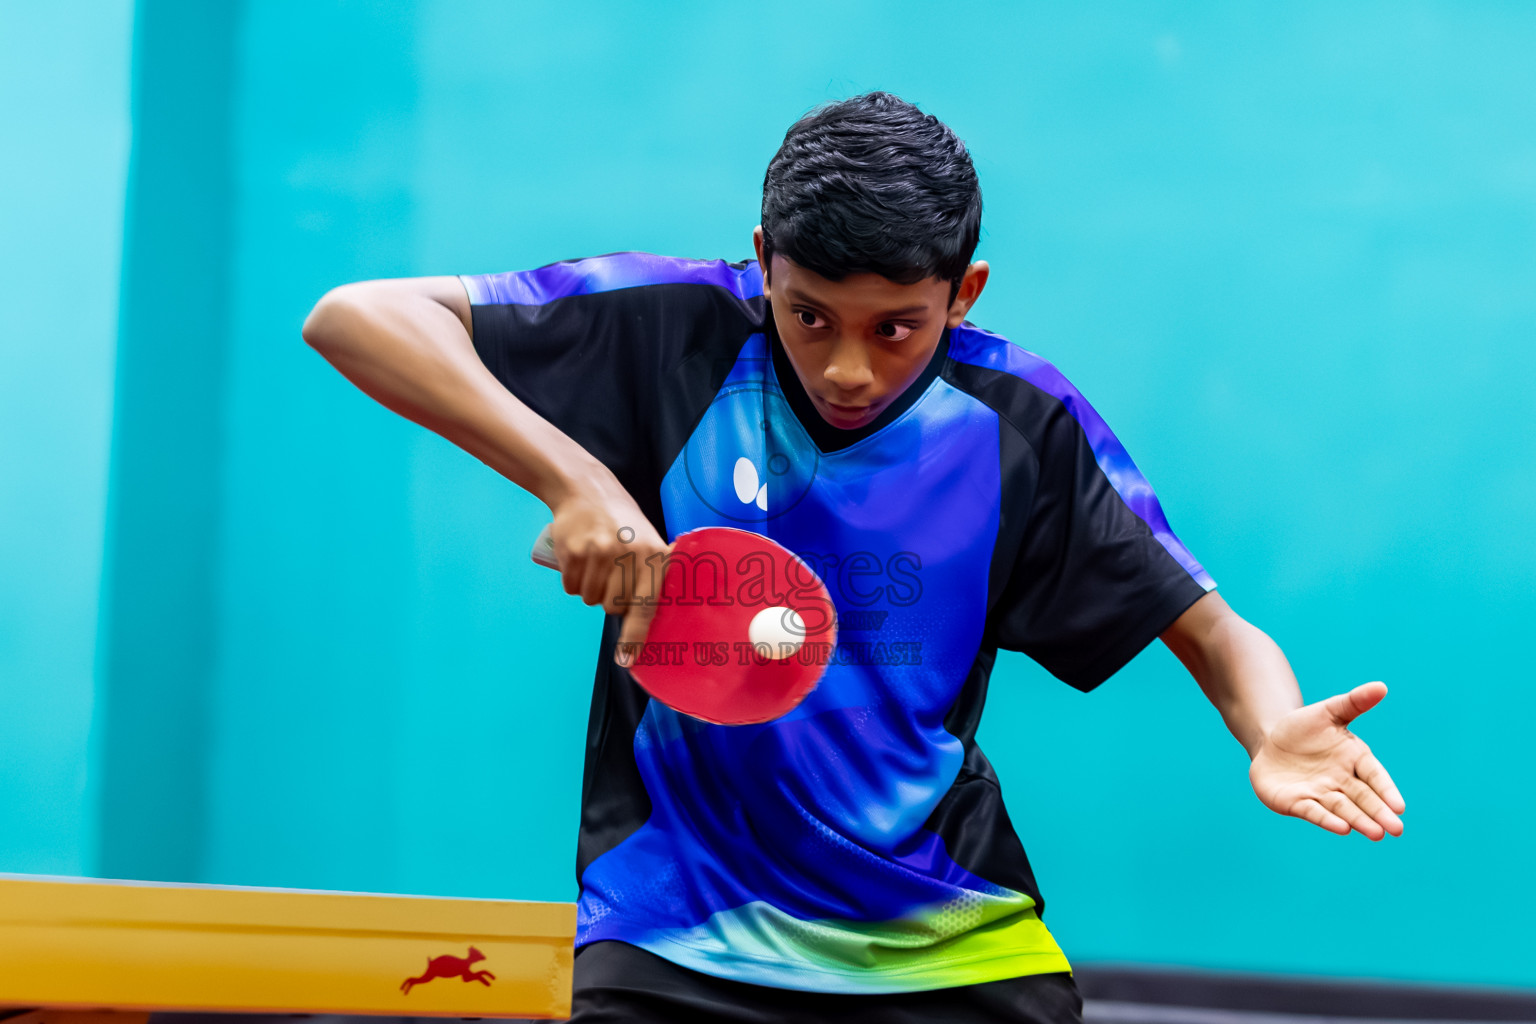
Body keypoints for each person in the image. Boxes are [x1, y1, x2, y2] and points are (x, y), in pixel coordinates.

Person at [302, 92, 1405, 1024]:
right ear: (763, 261)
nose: (846, 366)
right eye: (809, 314)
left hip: (947, 932)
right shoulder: (676, 328)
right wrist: (576, 478)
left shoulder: (1017, 420)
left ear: (963, 293)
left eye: (896, 327)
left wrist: (1271, 727)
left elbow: (1209, 627)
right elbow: (357, 317)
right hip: (680, 931)